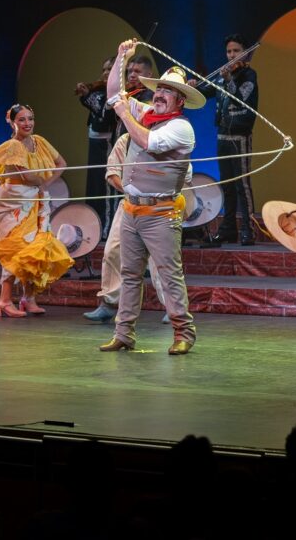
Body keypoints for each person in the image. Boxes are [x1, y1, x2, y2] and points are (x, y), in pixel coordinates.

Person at [99, 39, 200, 354]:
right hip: (131, 210)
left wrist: (123, 113)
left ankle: (183, 333)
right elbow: (113, 93)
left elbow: (147, 141)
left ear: (179, 101)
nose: (158, 94)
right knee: (129, 275)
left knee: (170, 275)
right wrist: (121, 56)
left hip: (160, 213)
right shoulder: (145, 113)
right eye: (157, 89)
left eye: (167, 91)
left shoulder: (181, 129)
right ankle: (124, 333)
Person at [0, 104, 73, 317]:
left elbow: (61, 163)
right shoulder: (13, 147)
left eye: (30, 118)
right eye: (21, 119)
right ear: (12, 122)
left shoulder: (39, 142)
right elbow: (27, 175)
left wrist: (46, 184)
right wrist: (41, 183)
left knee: (37, 247)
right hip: (15, 202)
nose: (27, 123)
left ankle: (28, 298)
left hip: (36, 200)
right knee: (17, 249)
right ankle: (3, 300)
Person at [81, 132, 172, 324]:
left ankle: (172, 307)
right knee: (113, 250)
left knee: (160, 258)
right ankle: (108, 303)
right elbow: (112, 172)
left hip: (158, 206)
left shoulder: (165, 138)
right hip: (130, 204)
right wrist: (130, 189)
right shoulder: (126, 140)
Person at [195, 33, 259, 245]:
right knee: (227, 184)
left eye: (236, 51)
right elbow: (206, 90)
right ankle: (229, 228)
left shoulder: (249, 75)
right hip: (222, 134)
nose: (231, 55)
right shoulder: (222, 75)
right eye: (229, 51)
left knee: (242, 184)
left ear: (245, 53)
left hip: (240, 136)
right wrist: (194, 85)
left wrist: (230, 80)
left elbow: (242, 101)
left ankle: (248, 229)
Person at [75, 56, 116, 235]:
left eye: (110, 69)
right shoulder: (100, 92)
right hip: (95, 142)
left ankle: (106, 228)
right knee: (93, 185)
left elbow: (104, 113)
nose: (105, 73)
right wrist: (87, 94)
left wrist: (87, 97)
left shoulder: (114, 94)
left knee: (105, 187)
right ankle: (93, 226)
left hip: (106, 145)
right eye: (104, 70)